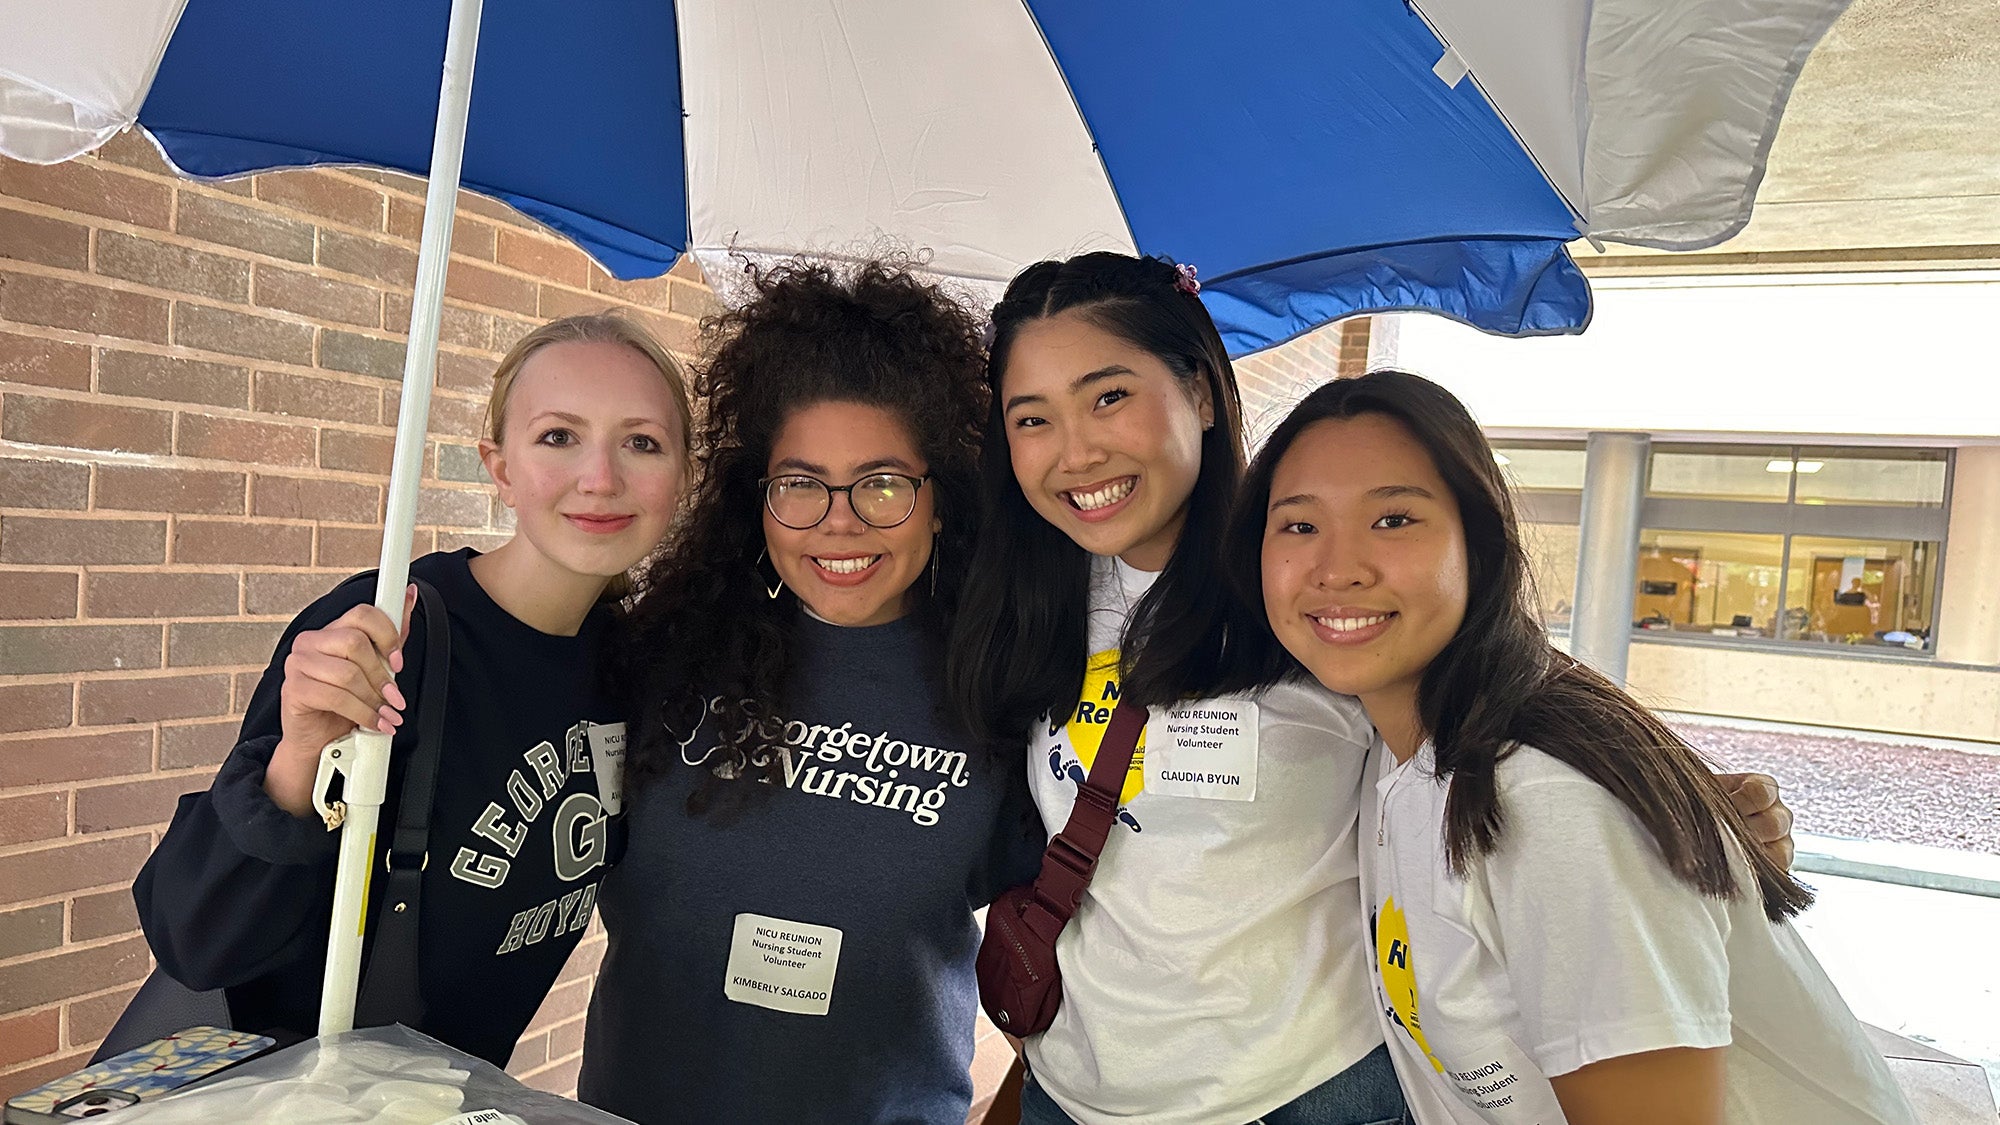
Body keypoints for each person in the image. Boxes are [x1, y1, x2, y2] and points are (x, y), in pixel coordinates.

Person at [948, 252, 1797, 1125]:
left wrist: (1678, 792)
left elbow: (1504, 684)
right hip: (1077, 1089)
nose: (1076, 449)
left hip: (1295, 1095)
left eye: (1109, 396)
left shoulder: (1303, 592)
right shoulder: (1028, 602)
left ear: (1201, 393)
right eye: (1032, 418)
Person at [1235, 371, 1915, 1125]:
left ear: (1480, 543)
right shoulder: (1392, 749)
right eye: (1298, 525)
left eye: (1394, 519)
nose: (1339, 567)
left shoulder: (1546, 803)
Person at [132, 313, 694, 1066]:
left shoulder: (635, 665)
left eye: (642, 442)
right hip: (297, 1098)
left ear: (683, 473)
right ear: (499, 466)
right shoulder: (395, 632)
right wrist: (300, 751)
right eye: (558, 436)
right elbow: (196, 938)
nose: (600, 477)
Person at [578, 259, 1043, 1125]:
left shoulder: (1003, 688)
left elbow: (1076, 975)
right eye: (800, 483)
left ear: (941, 498)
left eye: (882, 483)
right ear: (754, 497)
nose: (839, 519)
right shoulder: (658, 657)